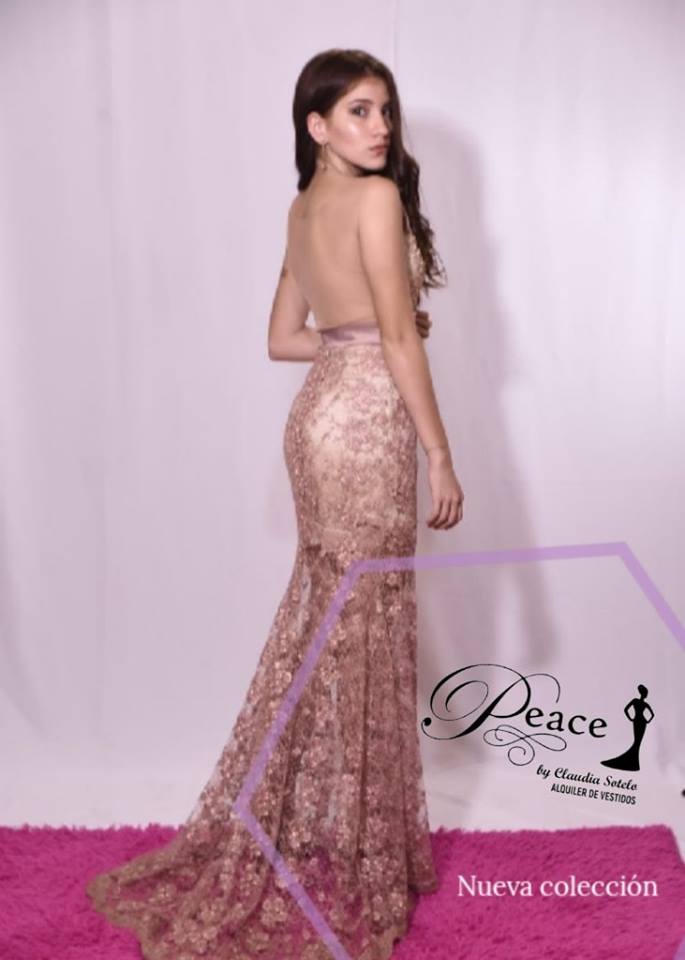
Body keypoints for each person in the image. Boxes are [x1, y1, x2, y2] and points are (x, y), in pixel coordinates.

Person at [86, 48, 465, 960]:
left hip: (314, 424)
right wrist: (438, 451)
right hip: (366, 429)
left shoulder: (301, 210)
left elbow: (281, 338)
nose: (380, 127)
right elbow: (398, 343)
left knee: (333, 619)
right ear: (316, 125)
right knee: (365, 624)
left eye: (386, 111)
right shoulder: (374, 201)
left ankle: (323, 830)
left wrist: (348, 343)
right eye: (360, 111)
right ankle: (360, 853)